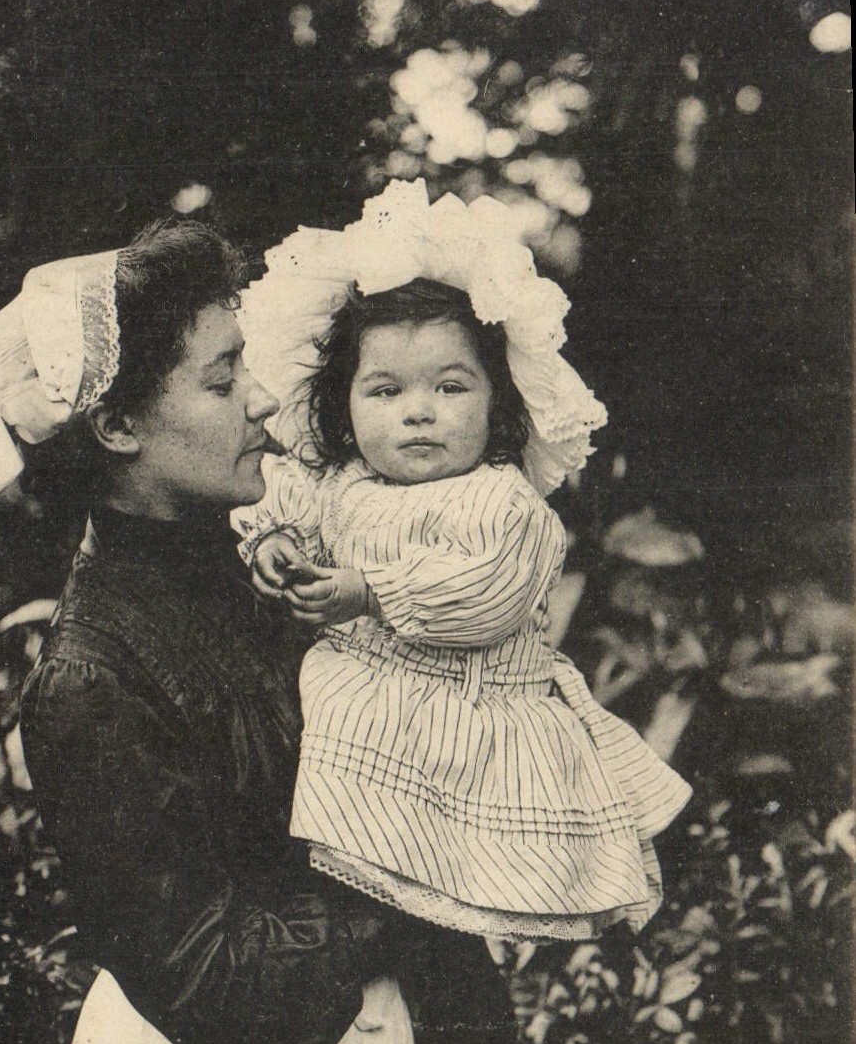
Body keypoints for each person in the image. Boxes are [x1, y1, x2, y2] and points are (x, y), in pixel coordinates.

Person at [0, 217, 555, 1044]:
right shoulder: (93, 678)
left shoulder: (257, 572)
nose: (268, 403)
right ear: (117, 428)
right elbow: (234, 997)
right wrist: (411, 890)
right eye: (224, 378)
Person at [235, 178, 692, 949]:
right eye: (385, 389)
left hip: (471, 718)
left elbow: (486, 595)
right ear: (339, 404)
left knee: (447, 898)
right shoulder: (339, 484)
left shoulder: (501, 503)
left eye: (451, 386)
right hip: (366, 710)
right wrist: (273, 547)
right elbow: (282, 510)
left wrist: (370, 588)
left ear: (499, 402)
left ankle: (431, 922)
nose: (419, 410)